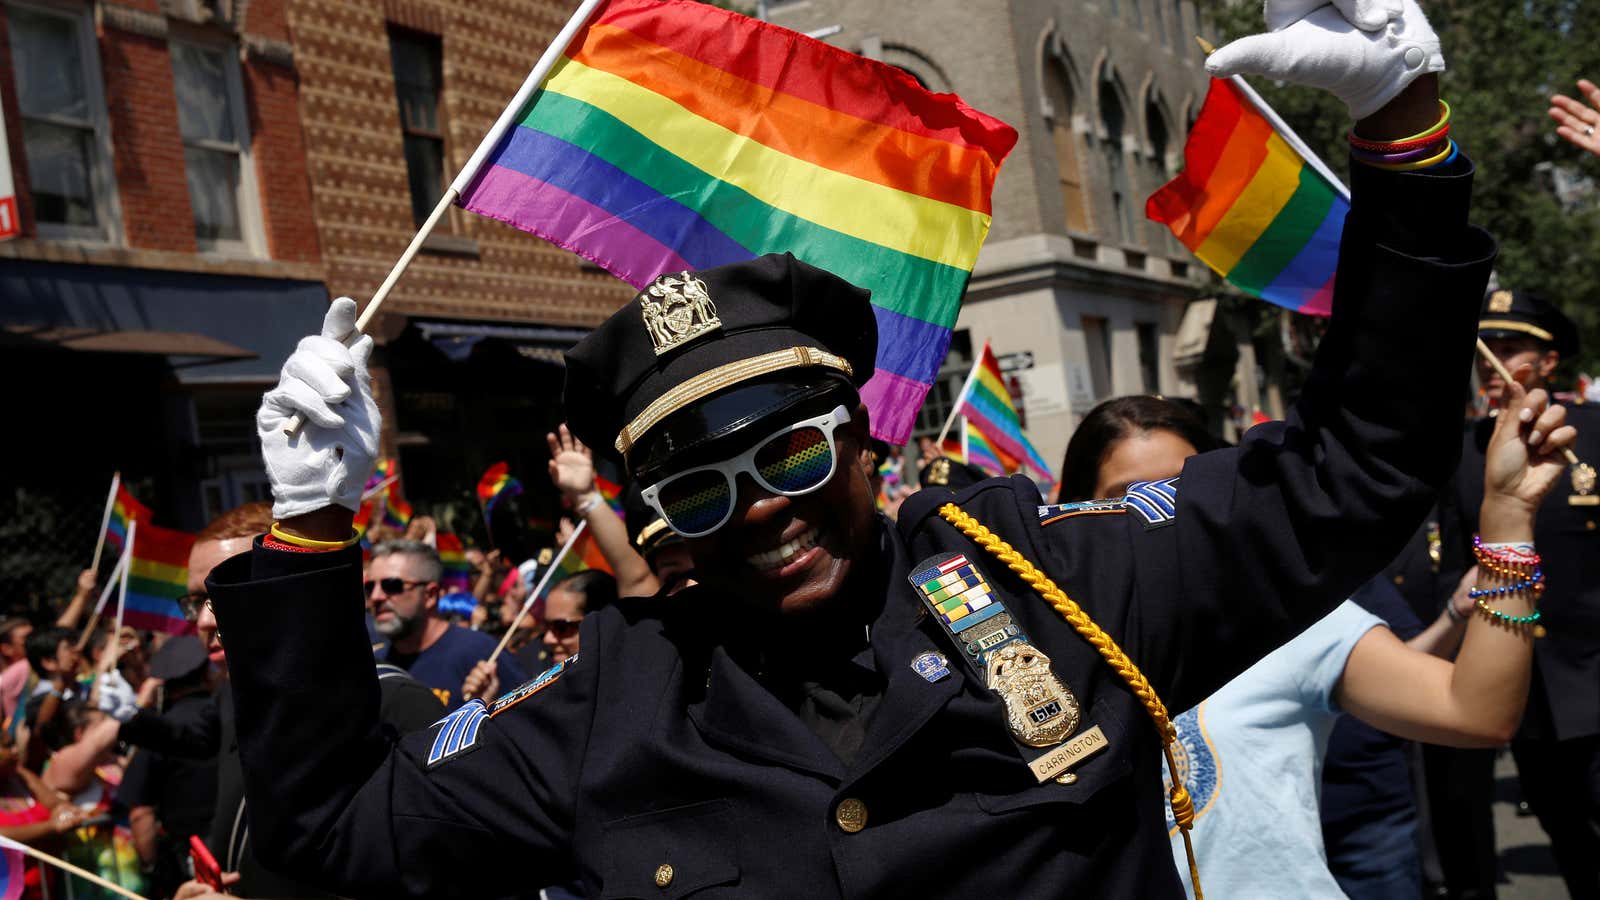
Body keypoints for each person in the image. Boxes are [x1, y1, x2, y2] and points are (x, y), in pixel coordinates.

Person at [211, 3, 1497, 895]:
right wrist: (314, 527)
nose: (765, 512)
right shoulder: (604, 704)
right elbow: (336, 829)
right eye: (706, 493)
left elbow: (1358, 465)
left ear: (865, 448)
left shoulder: (1058, 584)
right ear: (659, 528)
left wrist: (1404, 131)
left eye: (790, 459)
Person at [1056, 393, 1570, 897]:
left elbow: (1475, 712)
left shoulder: (1277, 614)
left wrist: (1508, 515)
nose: (1156, 516)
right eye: (1126, 497)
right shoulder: (1035, 644)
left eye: (1177, 489)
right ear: (1071, 512)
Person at [1437, 289, 1600, 898]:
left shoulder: (1593, 435)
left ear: (1550, 363)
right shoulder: (1463, 452)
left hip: (1594, 671)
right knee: (1571, 844)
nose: (1493, 359)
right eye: (1486, 348)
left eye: (1511, 347)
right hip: (1524, 685)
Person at [116, 637, 219, 897]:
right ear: (207, 672)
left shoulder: (157, 737)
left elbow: (141, 815)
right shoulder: (232, 719)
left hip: (195, 866)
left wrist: (152, 869)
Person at [366, 539, 527, 706]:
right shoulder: (375, 664)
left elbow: (526, 724)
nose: (376, 597)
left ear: (430, 595)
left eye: (391, 585)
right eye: (370, 587)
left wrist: (485, 713)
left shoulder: (482, 655)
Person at [0, 618, 34, 735]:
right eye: (27, 638)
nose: (35, 641)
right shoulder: (24, 667)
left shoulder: (5, 675)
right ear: (6, 649)